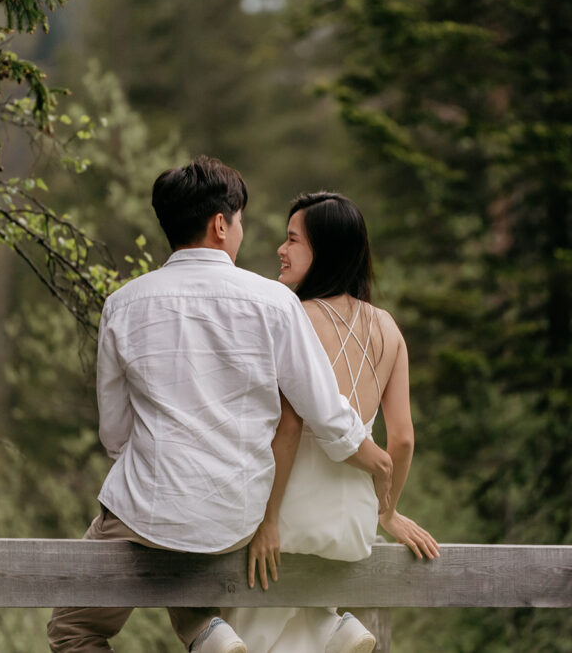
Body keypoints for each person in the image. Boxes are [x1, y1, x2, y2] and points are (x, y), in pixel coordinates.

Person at [46, 159, 395, 653]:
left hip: (149, 511)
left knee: (74, 629)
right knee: (191, 537)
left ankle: (205, 631)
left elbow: (115, 435)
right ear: (220, 224)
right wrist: (374, 457)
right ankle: (224, 630)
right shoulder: (274, 302)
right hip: (239, 515)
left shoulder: (122, 304)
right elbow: (324, 411)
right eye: (240, 219)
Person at [226, 192, 440, 653]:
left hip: (288, 514)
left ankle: (330, 629)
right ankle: (331, 629)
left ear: (324, 250)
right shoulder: (388, 329)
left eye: (292, 240)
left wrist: (267, 520)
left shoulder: (292, 316)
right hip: (352, 525)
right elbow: (401, 439)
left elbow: (288, 428)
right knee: (296, 622)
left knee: (246, 634)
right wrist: (389, 511)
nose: (281, 250)